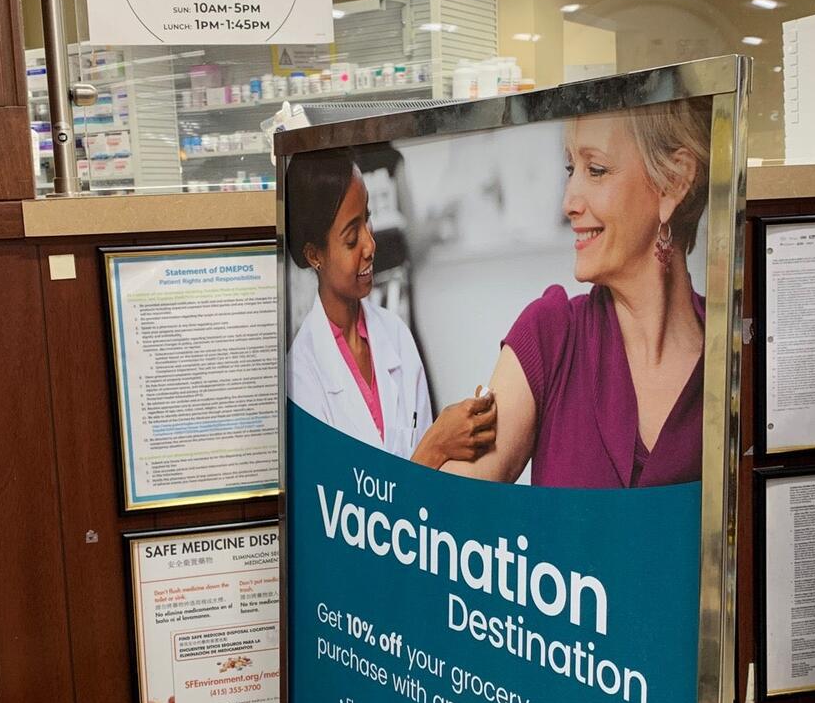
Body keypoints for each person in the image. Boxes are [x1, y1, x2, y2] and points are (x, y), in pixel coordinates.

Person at [444, 100, 710, 489]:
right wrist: (432, 447)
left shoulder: (730, 356)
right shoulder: (550, 336)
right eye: (571, 170)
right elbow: (446, 507)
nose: (568, 202)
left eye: (596, 170)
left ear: (674, 181)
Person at [286, 148, 496, 467]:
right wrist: (437, 445)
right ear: (315, 255)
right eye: (351, 238)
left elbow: (430, 480)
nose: (371, 246)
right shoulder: (302, 376)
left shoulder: (396, 334)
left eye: (367, 219)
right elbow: (342, 495)